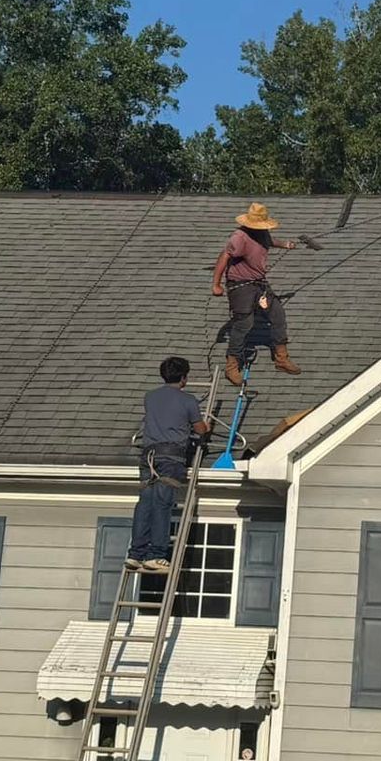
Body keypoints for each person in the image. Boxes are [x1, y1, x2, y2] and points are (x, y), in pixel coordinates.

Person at [127, 356, 212, 573]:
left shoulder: (150, 397)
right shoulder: (188, 401)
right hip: (171, 458)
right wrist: (207, 424)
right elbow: (200, 429)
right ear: (184, 378)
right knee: (163, 504)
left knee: (145, 502)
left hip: (148, 457)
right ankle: (156, 555)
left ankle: (136, 554)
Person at [212, 202, 301, 386]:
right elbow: (224, 256)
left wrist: (286, 244)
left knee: (277, 313)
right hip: (241, 285)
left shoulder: (262, 233)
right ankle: (232, 365)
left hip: (259, 284)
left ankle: (281, 358)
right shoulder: (239, 237)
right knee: (244, 323)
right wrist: (216, 284)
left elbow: (268, 241)